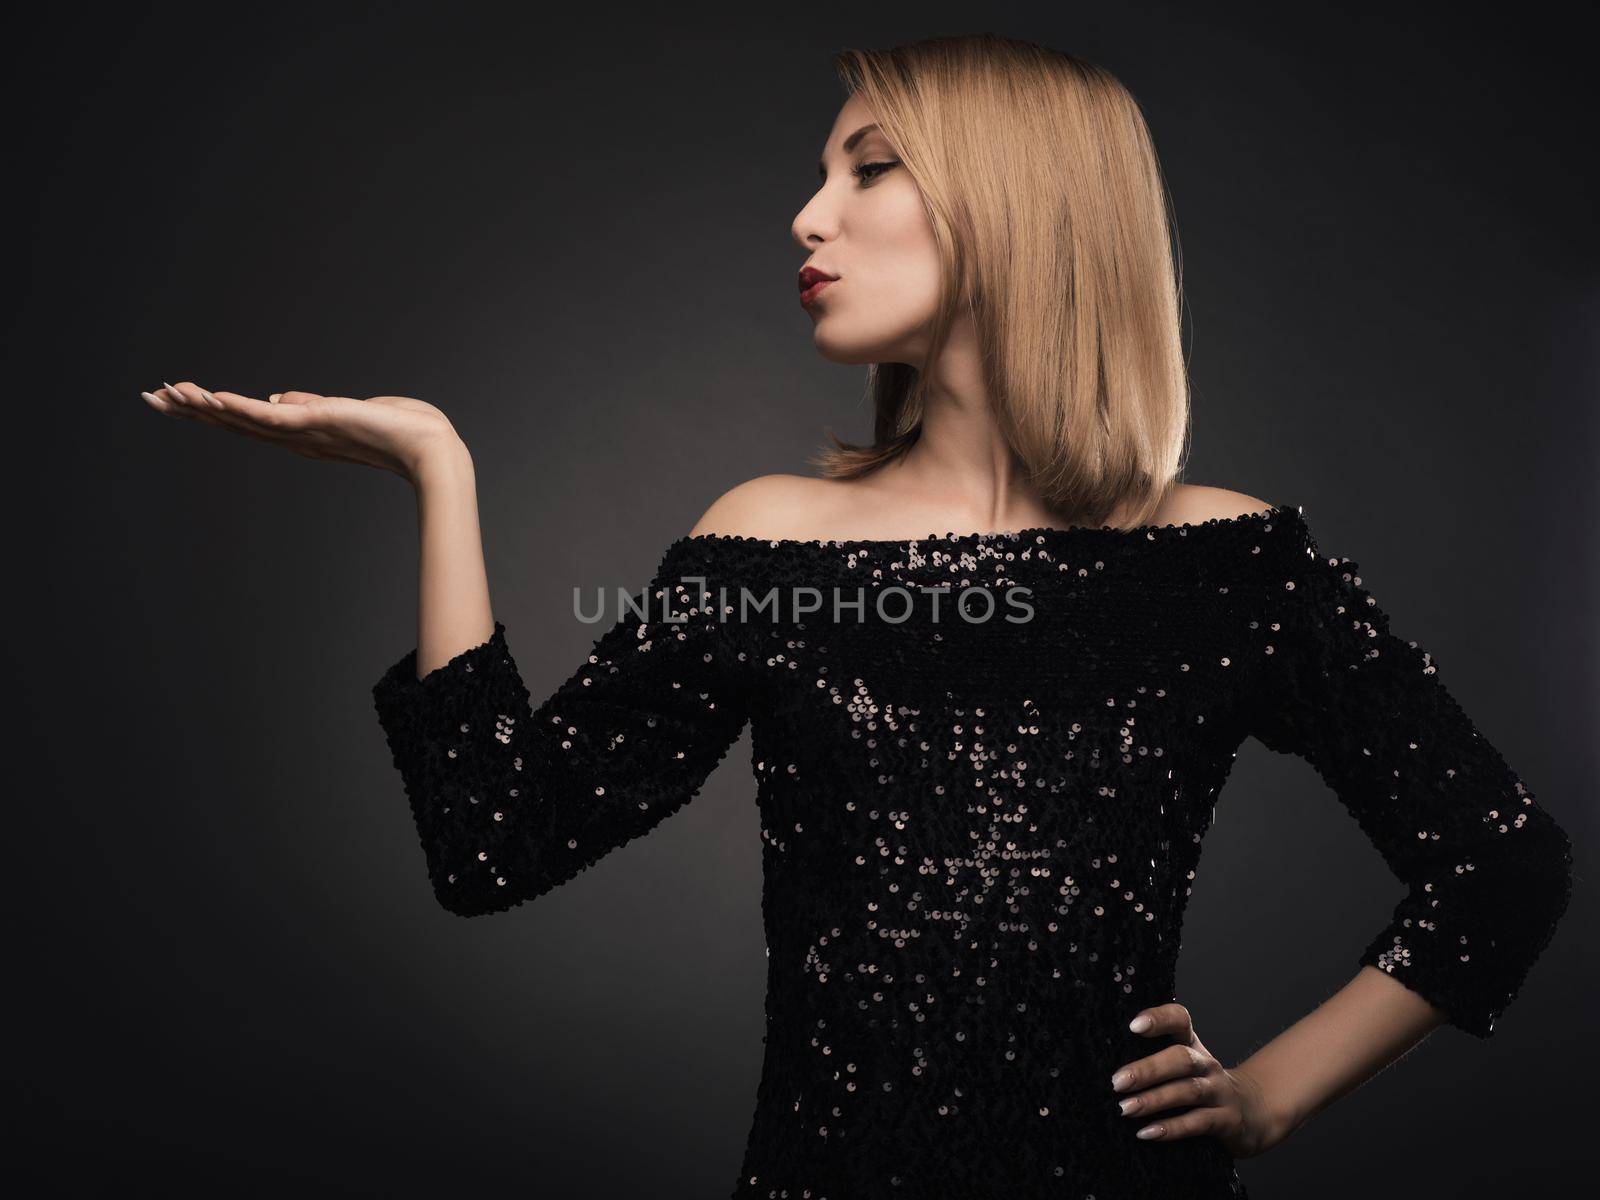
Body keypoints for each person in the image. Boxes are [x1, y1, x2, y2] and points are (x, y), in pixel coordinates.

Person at [138, 33, 1573, 1200]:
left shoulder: (1227, 563)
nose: (808, 214)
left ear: (1023, 206)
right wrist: (436, 469)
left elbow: (1500, 867)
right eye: (822, 169)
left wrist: (1265, 1097)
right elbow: (493, 835)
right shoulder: (770, 540)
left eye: (868, 168)